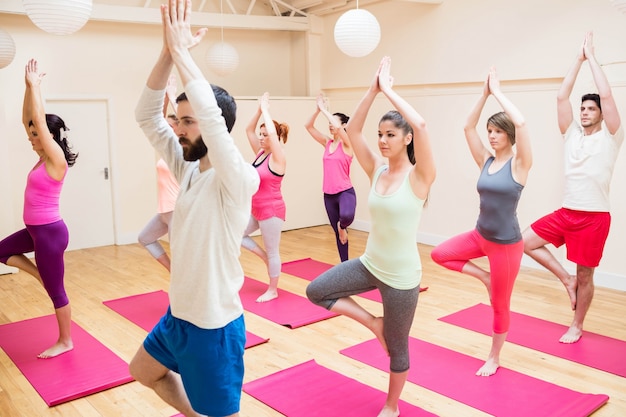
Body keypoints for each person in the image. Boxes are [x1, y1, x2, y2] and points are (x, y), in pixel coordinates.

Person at [128, 1, 259, 416]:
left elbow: (212, 120)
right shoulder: (186, 165)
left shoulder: (238, 180)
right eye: (178, 119)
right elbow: (146, 115)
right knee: (142, 371)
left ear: (211, 122)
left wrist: (185, 53)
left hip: (214, 327)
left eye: (187, 121)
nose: (178, 128)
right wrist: (168, 50)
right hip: (179, 316)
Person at [306, 56, 436, 417]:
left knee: (398, 349)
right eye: (381, 135)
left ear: (406, 138)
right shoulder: (376, 169)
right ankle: (372, 323)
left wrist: (390, 91)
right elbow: (355, 131)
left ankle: (392, 406)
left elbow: (422, 124)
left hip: (402, 279)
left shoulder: (419, 177)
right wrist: (372, 89)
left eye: (391, 135)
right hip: (369, 265)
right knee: (316, 291)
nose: (382, 140)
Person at [522, 31, 623, 344]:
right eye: (583, 109)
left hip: (594, 217)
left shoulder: (612, 136)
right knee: (524, 242)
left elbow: (607, 96)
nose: (584, 112)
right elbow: (560, 98)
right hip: (567, 211)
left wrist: (592, 57)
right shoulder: (571, 135)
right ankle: (564, 278)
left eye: (590, 109)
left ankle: (577, 325)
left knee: (586, 275)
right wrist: (577, 60)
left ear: (601, 114)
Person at [430, 67, 532, 376]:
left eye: (498, 131)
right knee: (439, 254)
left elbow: (522, 121)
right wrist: (484, 94)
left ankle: (494, 356)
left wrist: (499, 93)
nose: (491, 135)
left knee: (500, 305)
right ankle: (485, 277)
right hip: (480, 235)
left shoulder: (520, 164)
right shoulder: (485, 161)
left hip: (505, 246)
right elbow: (467, 127)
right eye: (490, 131)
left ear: (509, 136)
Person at [0, 59, 78, 359]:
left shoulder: (55, 158)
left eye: (35, 135)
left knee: (56, 292)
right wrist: (28, 88)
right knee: (3, 252)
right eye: (31, 134)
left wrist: (35, 87)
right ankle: (40, 274)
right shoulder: (42, 158)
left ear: (50, 137)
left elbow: (39, 123)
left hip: (49, 234)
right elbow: (28, 119)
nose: (31, 138)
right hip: (35, 231)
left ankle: (66, 340)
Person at [242, 92, 288, 302]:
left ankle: (273, 289)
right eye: (261, 134)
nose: (261, 137)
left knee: (273, 251)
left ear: (276, 138)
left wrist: (267, 111)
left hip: (271, 210)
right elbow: (248, 130)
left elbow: (271, 131)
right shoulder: (260, 154)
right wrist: (259, 110)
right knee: (236, 233)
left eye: (265, 134)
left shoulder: (278, 157)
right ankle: (263, 256)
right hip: (255, 209)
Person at [304, 92, 356, 262]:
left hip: (345, 192)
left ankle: (343, 227)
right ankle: (344, 266)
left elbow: (340, 129)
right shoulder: (327, 142)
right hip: (328, 195)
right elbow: (308, 126)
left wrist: (326, 110)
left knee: (346, 218)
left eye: (333, 122)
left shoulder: (348, 144)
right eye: (329, 123)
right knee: (338, 235)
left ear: (343, 125)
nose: (330, 126)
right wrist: (318, 110)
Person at [138, 74, 180, 271]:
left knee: (181, 255)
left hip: (177, 210)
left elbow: (191, 125)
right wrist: (164, 96)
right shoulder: (168, 150)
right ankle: (174, 273)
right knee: (145, 238)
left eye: (172, 127)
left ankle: (184, 293)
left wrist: (173, 97)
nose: (167, 130)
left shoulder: (183, 150)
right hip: (164, 211)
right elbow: (159, 121)